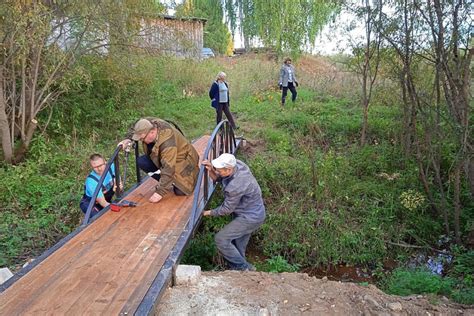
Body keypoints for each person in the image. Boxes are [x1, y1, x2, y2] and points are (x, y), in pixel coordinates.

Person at [202, 153, 265, 271]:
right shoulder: (238, 164)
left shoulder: (236, 185)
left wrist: (207, 212)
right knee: (238, 245)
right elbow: (219, 178)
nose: (218, 172)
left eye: (220, 170)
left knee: (221, 239)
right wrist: (211, 169)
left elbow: (226, 209)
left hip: (250, 217)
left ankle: (244, 268)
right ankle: (239, 272)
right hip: (253, 211)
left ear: (229, 169)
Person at [119, 117, 199, 203]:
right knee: (142, 162)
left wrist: (160, 192)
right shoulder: (151, 123)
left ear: (152, 132)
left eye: (142, 139)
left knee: (181, 191)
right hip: (166, 158)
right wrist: (128, 139)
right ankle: (167, 182)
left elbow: (168, 168)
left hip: (183, 162)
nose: (141, 141)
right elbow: (139, 125)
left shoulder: (168, 144)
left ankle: (169, 182)